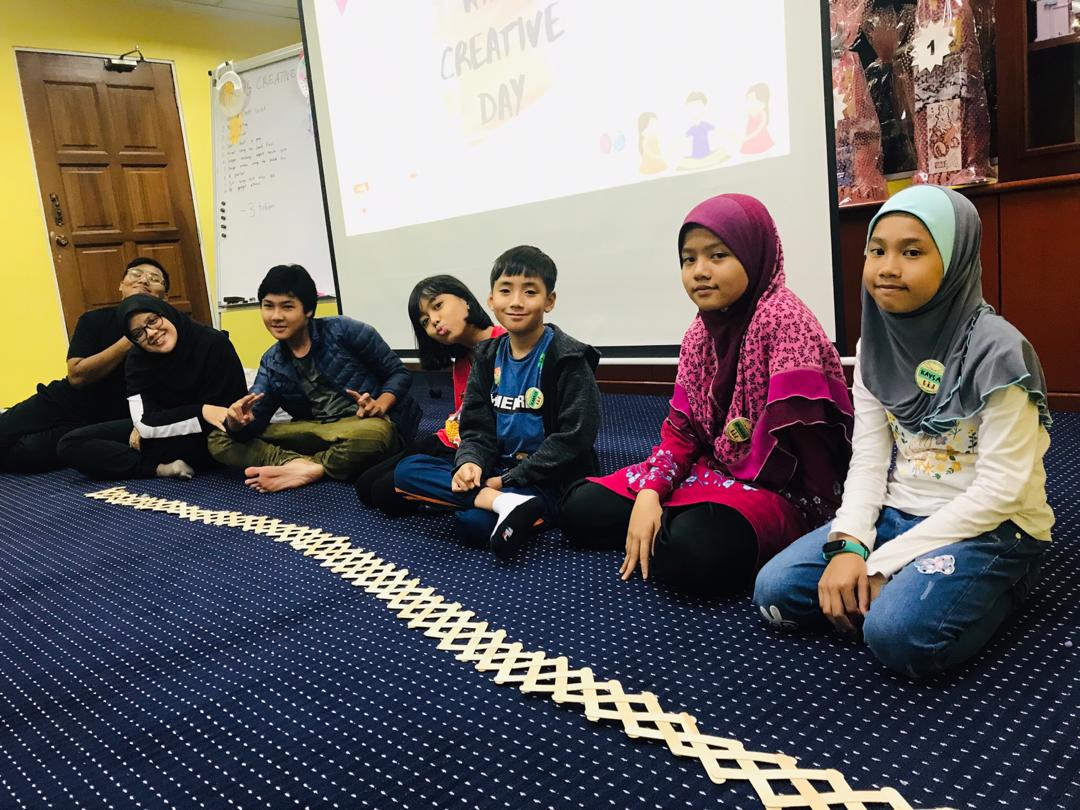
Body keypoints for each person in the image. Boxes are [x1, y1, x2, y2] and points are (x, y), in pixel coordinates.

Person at [753, 185, 1053, 678]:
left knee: (897, 637)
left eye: (912, 252)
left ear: (955, 260)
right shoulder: (874, 345)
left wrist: (880, 563)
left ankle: (1008, 579)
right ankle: (907, 590)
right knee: (775, 594)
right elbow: (870, 460)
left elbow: (1003, 491)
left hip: (992, 527)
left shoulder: (1000, 353)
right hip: (898, 512)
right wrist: (852, 544)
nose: (887, 268)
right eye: (877, 251)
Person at [560, 194, 853, 597]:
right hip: (711, 471)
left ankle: (679, 528)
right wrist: (651, 491)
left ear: (753, 254)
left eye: (718, 256)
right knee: (579, 507)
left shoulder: (785, 322)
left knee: (694, 551)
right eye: (689, 259)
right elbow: (682, 432)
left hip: (784, 493)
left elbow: (815, 463)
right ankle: (672, 523)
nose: (700, 271)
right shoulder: (700, 332)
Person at [393, 246, 601, 559]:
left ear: (549, 301)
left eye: (530, 291)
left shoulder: (569, 358)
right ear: (491, 300)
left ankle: (506, 503)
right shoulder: (487, 356)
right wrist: (471, 462)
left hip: (547, 478)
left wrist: (507, 480)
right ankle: (503, 504)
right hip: (497, 468)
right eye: (505, 291)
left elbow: (574, 440)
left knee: (473, 524)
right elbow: (476, 427)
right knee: (407, 470)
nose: (516, 301)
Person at [209, 264, 421, 492]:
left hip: (364, 424)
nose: (276, 316)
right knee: (219, 438)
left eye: (287, 307)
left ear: (308, 310)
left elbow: (398, 373)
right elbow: (256, 420)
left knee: (374, 437)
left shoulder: (344, 330)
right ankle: (298, 464)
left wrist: (380, 405)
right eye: (268, 306)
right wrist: (237, 424)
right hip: (316, 430)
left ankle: (311, 466)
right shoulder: (271, 361)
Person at [0, 258, 169, 473]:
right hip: (62, 401)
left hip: (98, 422)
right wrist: (130, 339)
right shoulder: (94, 319)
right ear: (121, 285)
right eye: (136, 274)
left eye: (154, 279)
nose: (143, 280)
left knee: (26, 453)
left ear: (165, 297)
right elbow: (77, 376)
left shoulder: (165, 333)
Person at [355, 275, 506, 514]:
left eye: (438, 306)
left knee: (384, 493)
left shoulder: (507, 345)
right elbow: (461, 414)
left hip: (479, 448)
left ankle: (483, 496)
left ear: (465, 300)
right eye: (425, 321)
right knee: (365, 485)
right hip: (451, 438)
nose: (434, 321)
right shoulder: (462, 360)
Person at [57, 295, 247, 480]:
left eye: (153, 321)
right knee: (71, 443)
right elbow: (144, 421)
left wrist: (154, 425)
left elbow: (226, 416)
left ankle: (146, 462)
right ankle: (160, 469)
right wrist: (201, 411)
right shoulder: (137, 360)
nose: (151, 333)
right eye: (138, 333)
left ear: (166, 313)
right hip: (163, 434)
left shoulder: (213, 344)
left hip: (210, 437)